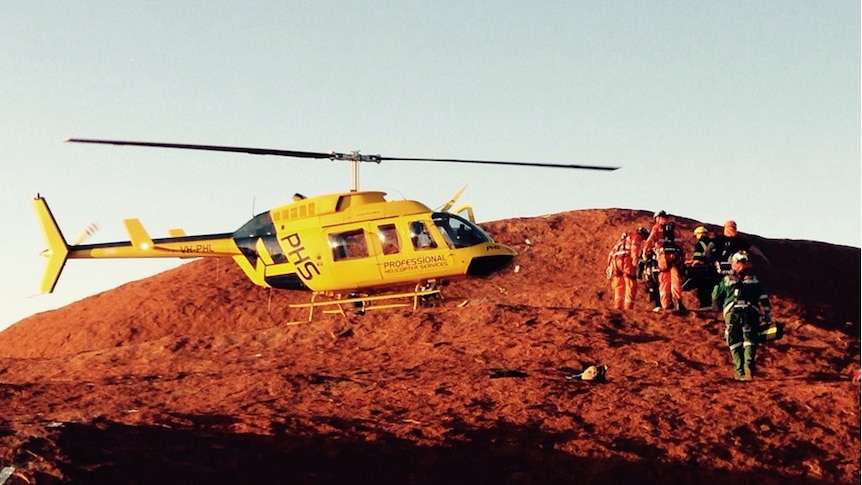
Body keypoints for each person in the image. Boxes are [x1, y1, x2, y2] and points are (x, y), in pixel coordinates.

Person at [712, 250, 772, 381]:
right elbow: (763, 296)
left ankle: (739, 372)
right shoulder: (754, 279)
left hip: (732, 313)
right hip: (751, 312)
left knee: (734, 342)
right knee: (750, 340)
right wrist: (767, 312)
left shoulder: (727, 279)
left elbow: (716, 298)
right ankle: (748, 366)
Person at [642, 210, 686, 312]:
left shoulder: (657, 227)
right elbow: (682, 244)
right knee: (675, 278)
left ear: (657, 218)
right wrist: (682, 257)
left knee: (664, 280)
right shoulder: (675, 228)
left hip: (663, 257)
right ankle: (677, 301)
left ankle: (665, 304)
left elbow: (650, 240)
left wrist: (645, 252)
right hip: (675, 256)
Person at [606, 227, 649, 310]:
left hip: (616, 261)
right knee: (630, 283)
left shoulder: (623, 239)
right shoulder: (637, 236)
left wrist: (609, 265)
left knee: (619, 284)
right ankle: (628, 308)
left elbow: (612, 251)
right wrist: (635, 257)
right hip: (626, 260)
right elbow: (635, 245)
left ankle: (618, 306)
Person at [683, 226, 716, 310]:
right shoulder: (713, 243)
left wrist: (692, 263)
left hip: (704, 270)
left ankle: (705, 307)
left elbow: (698, 258)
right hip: (714, 269)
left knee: (702, 289)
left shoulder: (700, 244)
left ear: (699, 235)